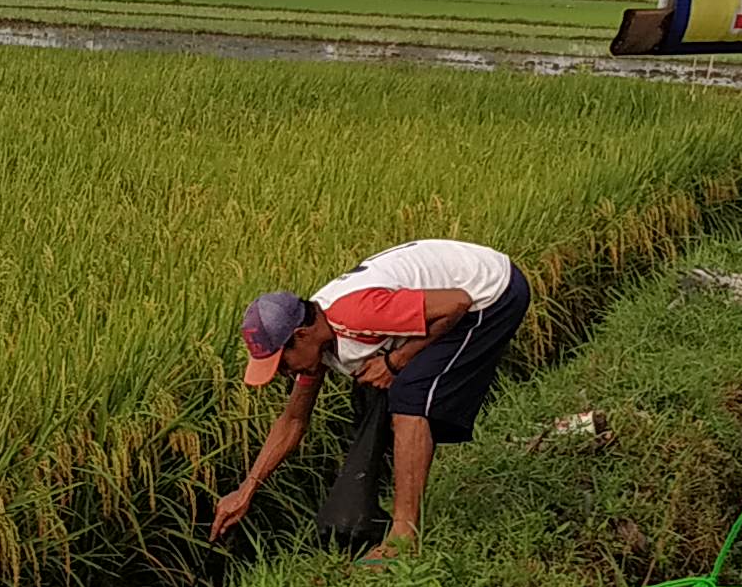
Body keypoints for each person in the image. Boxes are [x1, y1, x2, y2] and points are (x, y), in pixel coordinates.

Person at [210, 237, 533, 558]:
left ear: (301, 335)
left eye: (281, 362)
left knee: (410, 396)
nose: (283, 372)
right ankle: (394, 516)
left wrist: (396, 362)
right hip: (459, 299)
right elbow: (294, 420)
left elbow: (458, 302)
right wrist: (247, 489)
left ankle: (402, 541)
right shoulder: (317, 342)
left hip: (492, 294)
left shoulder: (355, 314)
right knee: (378, 397)